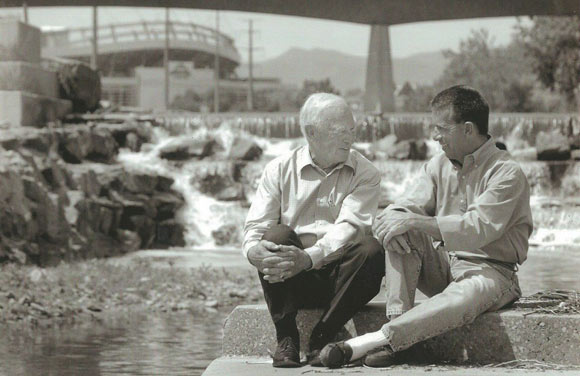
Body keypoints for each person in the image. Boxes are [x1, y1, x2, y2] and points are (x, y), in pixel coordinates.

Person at [320, 85, 533, 368]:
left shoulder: (507, 173)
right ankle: (400, 330)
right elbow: (402, 207)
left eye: (441, 128)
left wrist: (412, 220)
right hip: (444, 265)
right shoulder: (438, 165)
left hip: (492, 272)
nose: (435, 136)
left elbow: (477, 227)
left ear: (468, 129)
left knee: (463, 294)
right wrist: (395, 220)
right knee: (401, 228)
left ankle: (368, 343)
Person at [243, 93, 385, 368]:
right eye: (340, 131)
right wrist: (253, 252)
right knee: (275, 237)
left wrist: (308, 258)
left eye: (352, 130)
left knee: (372, 249)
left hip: (341, 278)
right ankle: (286, 337)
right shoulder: (279, 169)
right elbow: (255, 226)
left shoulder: (365, 173)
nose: (350, 139)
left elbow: (351, 227)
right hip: (289, 277)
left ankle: (323, 334)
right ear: (311, 133)